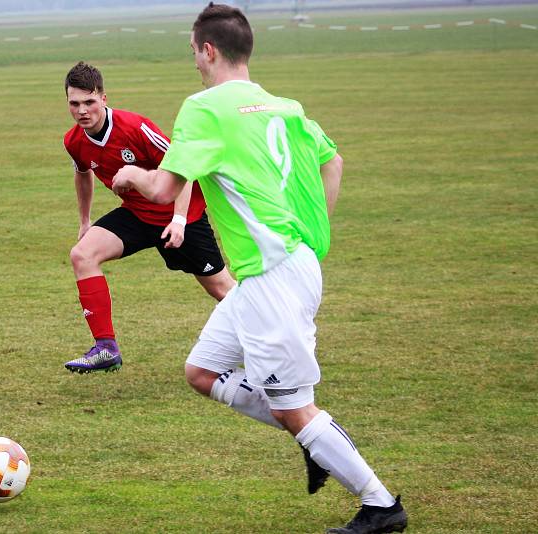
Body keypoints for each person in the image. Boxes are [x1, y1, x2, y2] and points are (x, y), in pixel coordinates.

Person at [111, 4, 408, 533]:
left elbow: (161, 189)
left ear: (208, 50)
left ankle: (381, 503)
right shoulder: (282, 105)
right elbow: (332, 161)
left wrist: (130, 176)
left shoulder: (204, 108)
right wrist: (310, 239)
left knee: (298, 408)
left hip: (274, 276)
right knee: (202, 371)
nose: (195, 63)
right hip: (276, 272)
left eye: (194, 52)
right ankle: (314, 439)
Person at [62, 61, 235, 374]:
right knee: (82, 255)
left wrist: (180, 220)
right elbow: (82, 174)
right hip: (138, 215)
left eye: (89, 102)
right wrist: (85, 221)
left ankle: (274, 338)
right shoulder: (74, 140)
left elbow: (184, 167)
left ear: (103, 98)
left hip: (179, 217)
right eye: (74, 104)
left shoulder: (135, 128)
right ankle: (105, 348)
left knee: (222, 289)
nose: (82, 110)